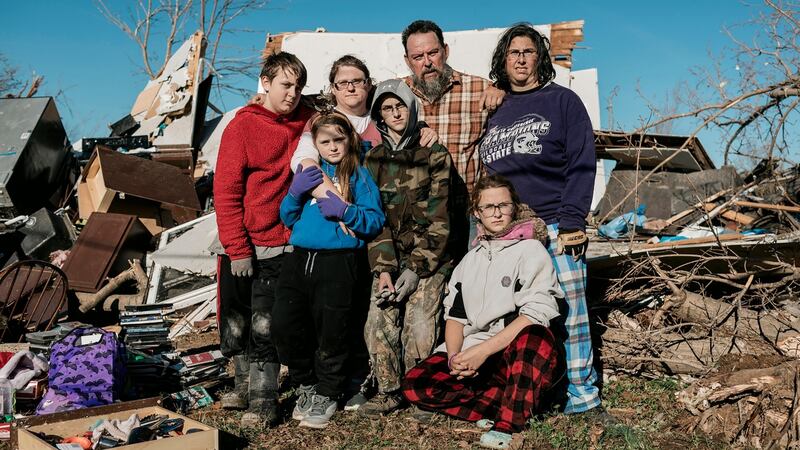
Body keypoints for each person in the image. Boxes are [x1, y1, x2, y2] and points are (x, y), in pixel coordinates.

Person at [477, 23, 605, 419]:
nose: (520, 58)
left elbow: (582, 163)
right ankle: (527, 393)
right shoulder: (493, 109)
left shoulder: (562, 102)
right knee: (513, 315)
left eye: (528, 52)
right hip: (505, 233)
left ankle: (583, 398)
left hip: (553, 224)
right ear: (503, 60)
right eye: (512, 52)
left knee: (571, 313)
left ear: (540, 58)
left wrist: (571, 221)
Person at [402, 175, 561, 450]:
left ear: (514, 207)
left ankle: (509, 425)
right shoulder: (470, 259)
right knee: (415, 384)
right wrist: (455, 359)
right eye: (488, 207)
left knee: (536, 338)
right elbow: (456, 316)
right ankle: (499, 403)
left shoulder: (531, 249)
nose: (497, 213)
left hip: (512, 353)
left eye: (503, 205)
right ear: (477, 212)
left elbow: (537, 312)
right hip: (477, 355)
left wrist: (483, 352)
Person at [214, 51, 315, 427]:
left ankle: (263, 400)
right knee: (237, 319)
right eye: (285, 84)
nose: (292, 93)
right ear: (266, 83)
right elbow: (226, 191)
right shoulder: (242, 126)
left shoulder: (308, 120)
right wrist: (237, 248)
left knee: (266, 323)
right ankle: (241, 386)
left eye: (298, 86)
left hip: (284, 240)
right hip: (245, 240)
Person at [272, 112, 385, 429]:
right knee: (285, 324)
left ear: (349, 139)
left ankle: (328, 391)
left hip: (337, 262)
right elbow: (288, 217)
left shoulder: (359, 175)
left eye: (339, 139)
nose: (333, 146)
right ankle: (306, 382)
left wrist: (346, 211)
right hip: (299, 259)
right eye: (325, 141)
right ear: (315, 144)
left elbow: (374, 220)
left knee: (332, 331)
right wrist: (295, 194)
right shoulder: (312, 172)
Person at [358, 79, 453, 418]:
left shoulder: (435, 155)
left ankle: (424, 390)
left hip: (429, 258)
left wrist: (415, 270)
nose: (395, 112)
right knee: (378, 320)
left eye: (400, 105)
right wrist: (385, 270)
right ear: (379, 115)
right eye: (387, 108)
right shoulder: (372, 160)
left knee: (421, 326)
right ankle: (389, 391)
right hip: (389, 259)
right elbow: (374, 220)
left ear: (411, 109)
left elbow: (439, 220)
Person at [400, 19, 505, 255]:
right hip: (417, 220)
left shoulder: (479, 89)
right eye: (418, 57)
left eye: (433, 53)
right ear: (407, 61)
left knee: (472, 287)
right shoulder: (395, 98)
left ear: (445, 51)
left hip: (468, 216)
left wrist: (502, 86)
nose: (427, 63)